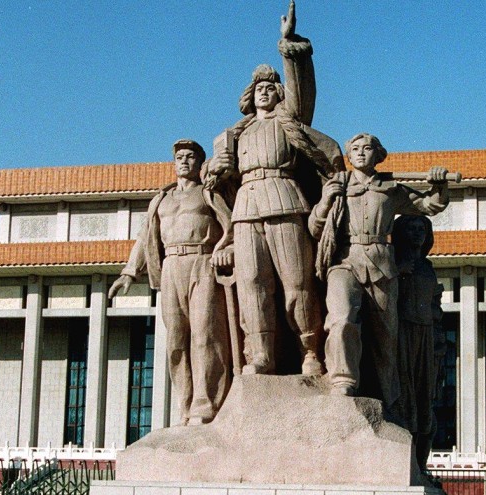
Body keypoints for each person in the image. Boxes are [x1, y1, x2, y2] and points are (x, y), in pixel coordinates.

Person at [207, 0, 342, 376]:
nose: (266, 91)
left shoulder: (291, 122)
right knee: (252, 285)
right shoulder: (232, 136)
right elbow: (214, 182)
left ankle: (309, 350)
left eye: (272, 86)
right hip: (247, 209)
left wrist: (290, 45)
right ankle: (260, 353)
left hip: (285, 200)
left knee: (296, 281)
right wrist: (213, 171)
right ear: (249, 96)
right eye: (259, 88)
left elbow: (301, 85)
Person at [309, 133, 448, 406]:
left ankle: (386, 396)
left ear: (379, 154)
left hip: (383, 264)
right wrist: (326, 201)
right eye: (355, 149)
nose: (361, 153)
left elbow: (428, 205)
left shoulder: (391, 188)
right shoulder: (338, 184)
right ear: (348, 155)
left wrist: (439, 184)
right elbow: (315, 228)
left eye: (367, 148)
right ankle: (342, 379)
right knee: (342, 318)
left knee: (385, 334)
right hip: (345, 261)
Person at [109, 140, 233, 425]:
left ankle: (206, 404)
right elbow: (145, 237)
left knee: (205, 335)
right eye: (180, 157)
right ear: (174, 162)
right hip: (170, 267)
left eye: (191, 157)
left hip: (202, 263)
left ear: (200, 163)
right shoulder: (161, 200)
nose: (185, 161)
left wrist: (228, 248)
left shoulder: (209, 194)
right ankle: (186, 405)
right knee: (176, 339)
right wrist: (129, 272)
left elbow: (233, 225)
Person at [392, 213, 447, 470]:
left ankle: (420, 468)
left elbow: (436, 308)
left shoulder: (427, 268)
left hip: (426, 335)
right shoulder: (394, 262)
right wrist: (395, 272)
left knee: (426, 401)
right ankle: (405, 464)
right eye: (411, 228)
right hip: (402, 332)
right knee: (405, 395)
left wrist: (438, 344)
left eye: (421, 229)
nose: (417, 233)